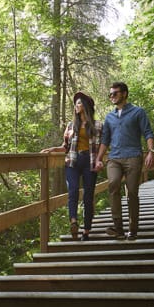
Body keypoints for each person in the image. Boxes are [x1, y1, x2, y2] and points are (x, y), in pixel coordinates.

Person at [94, 82, 154, 240]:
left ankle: (133, 228)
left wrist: (151, 152)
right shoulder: (109, 117)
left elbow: (148, 133)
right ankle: (118, 227)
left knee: (132, 192)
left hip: (133, 156)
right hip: (114, 157)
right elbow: (105, 140)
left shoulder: (138, 112)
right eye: (110, 94)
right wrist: (98, 158)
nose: (112, 97)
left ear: (125, 94)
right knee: (113, 184)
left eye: (115, 93)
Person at [42, 92, 103, 241]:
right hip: (72, 162)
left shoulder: (97, 125)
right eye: (75, 103)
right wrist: (53, 149)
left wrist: (99, 160)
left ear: (86, 106)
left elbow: (102, 145)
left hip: (89, 161)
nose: (76, 106)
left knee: (88, 196)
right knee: (73, 190)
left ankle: (86, 230)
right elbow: (65, 147)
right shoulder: (70, 125)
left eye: (79, 103)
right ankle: (73, 221)